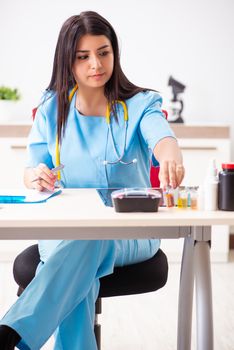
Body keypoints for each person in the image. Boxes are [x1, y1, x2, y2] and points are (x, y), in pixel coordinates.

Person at [0, 11, 184, 350]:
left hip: (130, 235)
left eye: (103, 52)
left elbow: (162, 136)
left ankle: (13, 331)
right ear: (66, 61)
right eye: (83, 57)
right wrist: (36, 176)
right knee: (80, 261)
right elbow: (31, 169)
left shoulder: (141, 104)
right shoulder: (51, 107)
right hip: (64, 233)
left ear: (115, 52)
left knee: (88, 243)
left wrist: (170, 151)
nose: (95, 64)